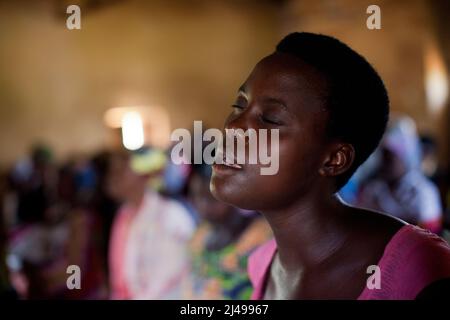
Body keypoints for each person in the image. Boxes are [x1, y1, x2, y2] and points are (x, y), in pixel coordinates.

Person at [209, 32, 450, 299]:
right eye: (238, 105)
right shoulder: (263, 266)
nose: (233, 126)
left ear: (334, 159)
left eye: (271, 119)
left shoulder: (416, 270)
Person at [108, 148, 195, 299]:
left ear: (143, 174)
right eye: (112, 171)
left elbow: (170, 277)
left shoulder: (171, 216)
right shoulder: (124, 215)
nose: (113, 177)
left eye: (121, 170)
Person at [185, 163, 271, 299]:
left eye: (211, 199)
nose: (203, 207)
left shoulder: (260, 236)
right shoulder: (199, 236)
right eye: (196, 197)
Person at [357, 116, 443, 234]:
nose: (383, 163)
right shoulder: (374, 189)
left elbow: (429, 232)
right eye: (382, 157)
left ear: (405, 159)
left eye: (390, 158)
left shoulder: (423, 191)